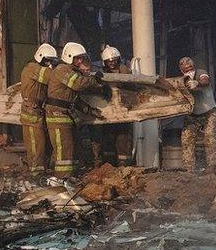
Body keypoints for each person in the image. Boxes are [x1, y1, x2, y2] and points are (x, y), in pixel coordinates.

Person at [45, 42, 103, 177]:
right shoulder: (62, 70)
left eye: (81, 58)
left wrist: (88, 110)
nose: (80, 61)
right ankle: (62, 179)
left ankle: (71, 176)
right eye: (78, 58)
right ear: (69, 57)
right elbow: (78, 84)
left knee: (73, 147)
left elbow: (72, 99)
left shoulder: (69, 71)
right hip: (57, 116)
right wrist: (94, 80)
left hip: (66, 114)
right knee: (64, 150)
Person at [19, 43, 57, 173]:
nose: (49, 64)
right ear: (40, 57)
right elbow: (52, 77)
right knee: (36, 145)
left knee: (41, 145)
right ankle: (36, 174)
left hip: (37, 111)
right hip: (31, 112)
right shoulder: (33, 68)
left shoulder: (38, 69)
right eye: (47, 61)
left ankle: (40, 171)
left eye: (51, 61)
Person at [178, 56, 216, 173]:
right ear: (182, 71)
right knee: (187, 139)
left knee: (210, 138)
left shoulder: (201, 73)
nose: (188, 71)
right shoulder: (182, 80)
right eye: (185, 70)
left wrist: (198, 83)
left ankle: (212, 168)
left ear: (193, 67)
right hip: (192, 114)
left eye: (190, 68)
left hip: (208, 112)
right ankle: (188, 169)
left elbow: (205, 80)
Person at [100, 46, 133, 166]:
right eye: (109, 61)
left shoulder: (124, 70)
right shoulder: (102, 73)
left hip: (123, 110)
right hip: (108, 111)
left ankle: (124, 165)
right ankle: (108, 165)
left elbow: (129, 88)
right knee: (108, 138)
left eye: (114, 60)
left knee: (123, 138)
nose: (112, 63)